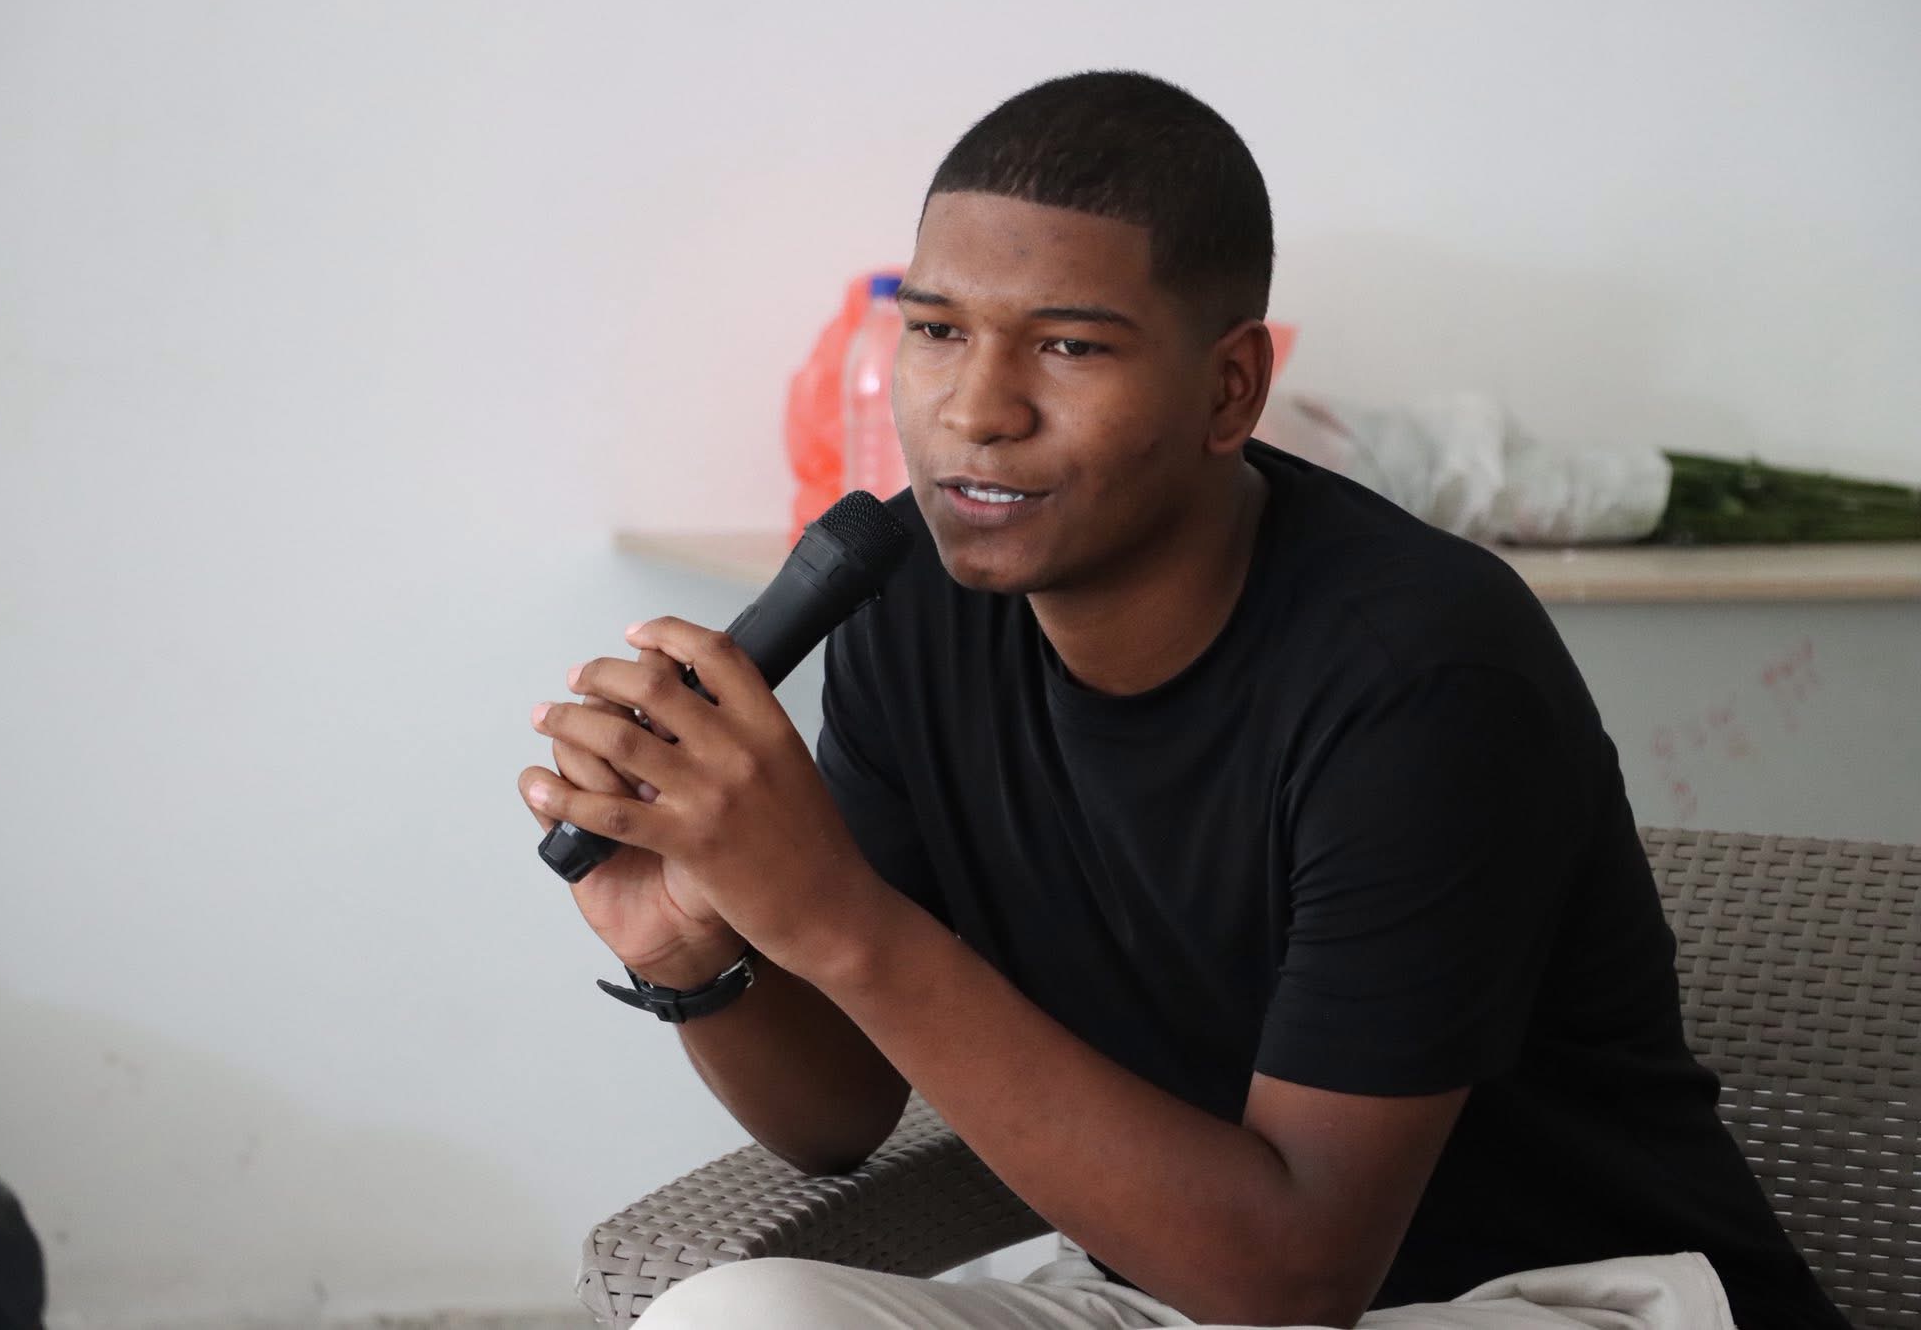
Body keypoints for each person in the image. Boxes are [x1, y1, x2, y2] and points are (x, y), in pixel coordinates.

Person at [518, 71, 1846, 1330]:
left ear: (1230, 388)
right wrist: (697, 949)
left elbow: (1295, 1283)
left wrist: (831, 913)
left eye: (1068, 346)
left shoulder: (1427, 677)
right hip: (1165, 1289)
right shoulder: (911, 603)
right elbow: (839, 1117)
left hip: (1536, 1299)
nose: (977, 408)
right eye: (936, 330)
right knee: (731, 1315)